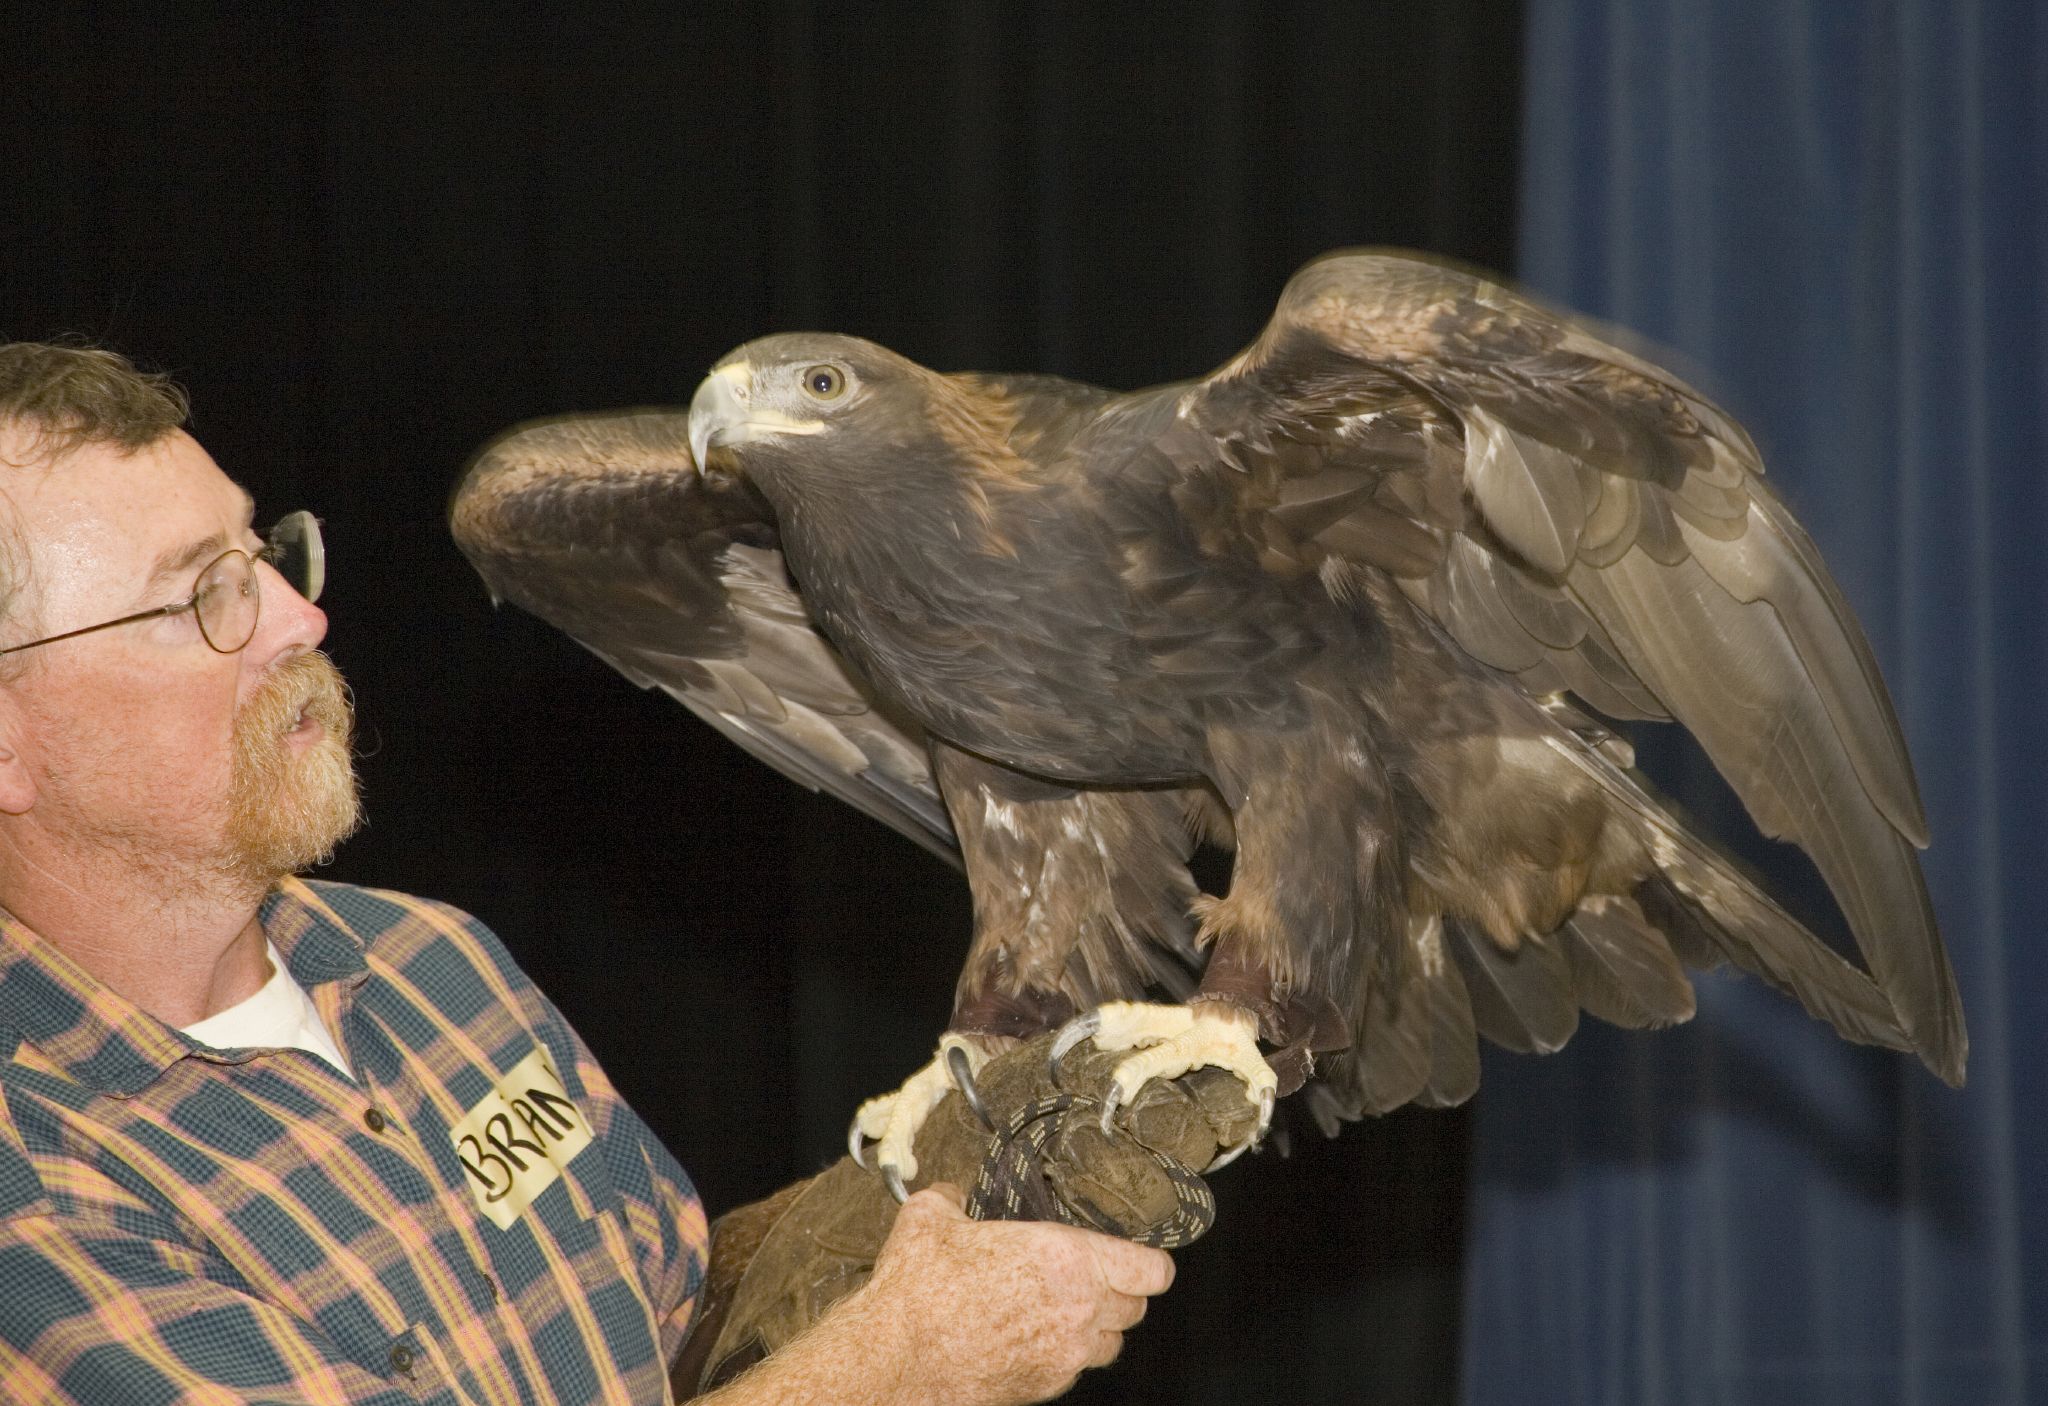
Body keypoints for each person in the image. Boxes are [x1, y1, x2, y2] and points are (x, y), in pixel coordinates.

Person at [0, 342, 1174, 1405]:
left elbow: (675, 1332)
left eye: (264, 553)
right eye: (203, 593)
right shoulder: (35, 1182)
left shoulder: (427, 962)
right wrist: (895, 1367)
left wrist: (929, 1201)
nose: (299, 619)